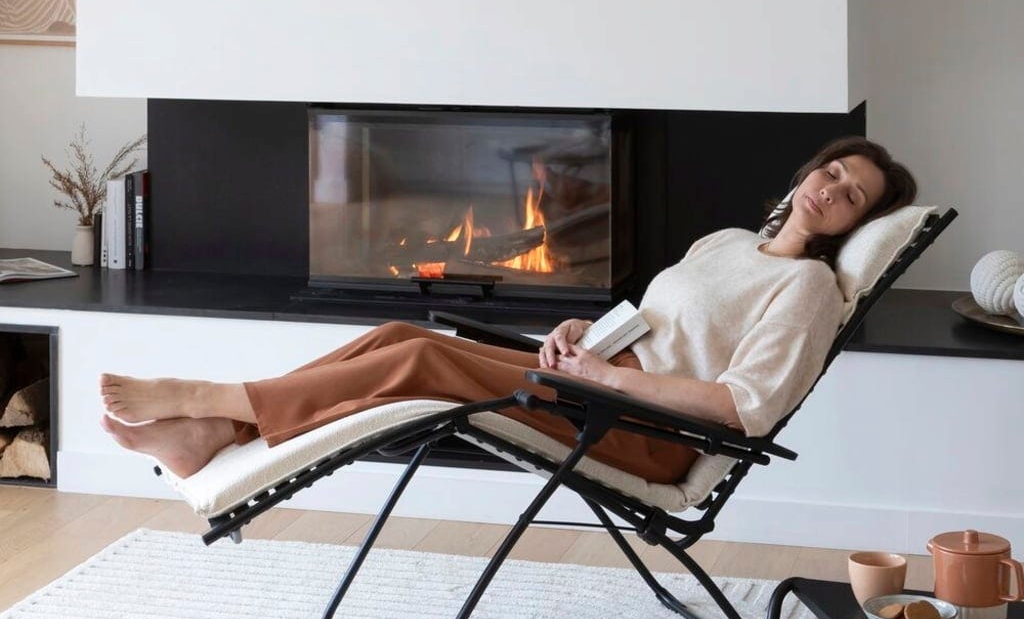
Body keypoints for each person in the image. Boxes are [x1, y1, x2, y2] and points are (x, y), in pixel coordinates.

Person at [100, 135, 917, 485]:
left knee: (420, 360)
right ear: (808, 172)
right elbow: (660, 322)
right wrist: (583, 334)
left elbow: (745, 406)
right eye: (833, 172)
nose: (833, 190)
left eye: (854, 196)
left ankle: (211, 401)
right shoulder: (728, 242)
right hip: (593, 380)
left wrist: (608, 378)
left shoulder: (808, 289)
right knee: (400, 332)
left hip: (643, 431)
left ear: (855, 222)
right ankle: (222, 433)